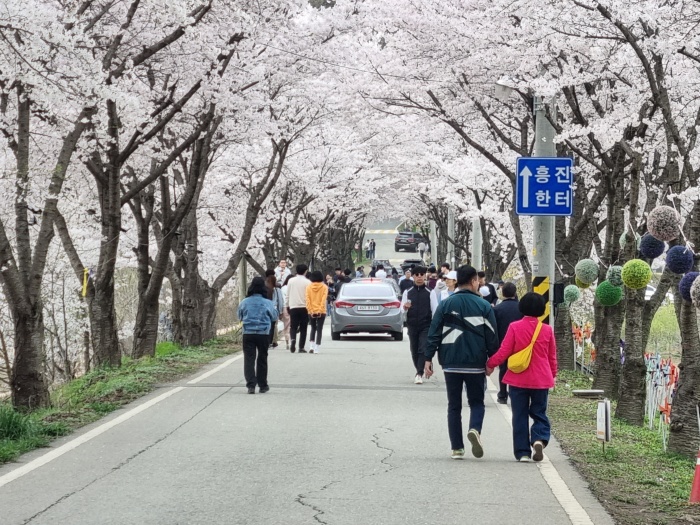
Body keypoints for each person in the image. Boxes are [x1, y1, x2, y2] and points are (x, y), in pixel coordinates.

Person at [424, 265, 499, 460]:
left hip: (450, 361)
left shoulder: (446, 304)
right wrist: (492, 360)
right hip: (475, 362)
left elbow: (434, 332)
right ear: (474, 281)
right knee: (476, 402)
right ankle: (474, 429)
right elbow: (492, 336)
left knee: (454, 405)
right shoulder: (483, 306)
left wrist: (427, 358)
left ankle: (457, 448)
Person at [486, 292, 557, 462]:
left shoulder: (515, 327)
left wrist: (490, 364)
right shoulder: (547, 330)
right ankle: (538, 439)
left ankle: (523, 452)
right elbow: (552, 356)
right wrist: (552, 375)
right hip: (541, 380)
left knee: (519, 415)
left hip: (518, 379)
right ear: (541, 309)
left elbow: (504, 351)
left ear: (522, 307)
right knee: (539, 412)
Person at [237, 277, 277, 394]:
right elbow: (274, 316)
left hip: (248, 333)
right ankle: (263, 385)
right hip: (263, 333)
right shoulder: (268, 303)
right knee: (262, 358)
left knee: (249, 359)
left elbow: (239, 316)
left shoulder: (244, 302)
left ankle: (251, 385)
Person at [491, 282, 523, 404]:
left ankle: (502, 394)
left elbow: (494, 328)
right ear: (515, 293)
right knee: (518, 368)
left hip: (502, 342)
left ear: (503, 294)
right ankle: (516, 394)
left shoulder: (497, 309)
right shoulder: (521, 308)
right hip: (519, 344)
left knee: (503, 369)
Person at [401, 266, 432, 384]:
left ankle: (419, 373)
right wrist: (405, 308)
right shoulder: (407, 292)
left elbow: (435, 309)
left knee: (422, 348)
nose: (419, 276)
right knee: (414, 349)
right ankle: (419, 368)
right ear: (413, 276)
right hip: (412, 324)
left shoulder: (430, 292)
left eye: (422, 274)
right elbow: (402, 310)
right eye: (417, 274)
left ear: (425, 276)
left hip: (426, 325)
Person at [285, 264, 311, 353]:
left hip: (293, 306)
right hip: (305, 307)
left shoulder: (291, 281)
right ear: (305, 271)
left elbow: (287, 294)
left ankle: (293, 340)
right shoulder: (308, 282)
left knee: (293, 326)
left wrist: (287, 305)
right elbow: (309, 296)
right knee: (304, 328)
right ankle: (301, 347)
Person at [306, 271, 329, 354]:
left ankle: (311, 346)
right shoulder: (324, 287)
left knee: (313, 328)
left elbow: (307, 299)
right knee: (319, 329)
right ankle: (317, 347)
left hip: (311, 311)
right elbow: (323, 300)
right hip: (321, 311)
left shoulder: (308, 287)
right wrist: (319, 309)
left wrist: (311, 310)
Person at [264, 271, 284, 348]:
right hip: (273, 309)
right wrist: (280, 311)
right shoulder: (277, 288)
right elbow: (280, 301)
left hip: (264, 309)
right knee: (272, 326)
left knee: (266, 325)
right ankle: (270, 342)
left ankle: (266, 341)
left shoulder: (263, 287)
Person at [280, 275, 293, 349]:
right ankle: (292, 340)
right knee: (293, 325)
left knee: (286, 325)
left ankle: (287, 341)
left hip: (285, 307)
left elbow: (282, 299)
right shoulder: (294, 287)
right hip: (293, 306)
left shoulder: (283, 288)